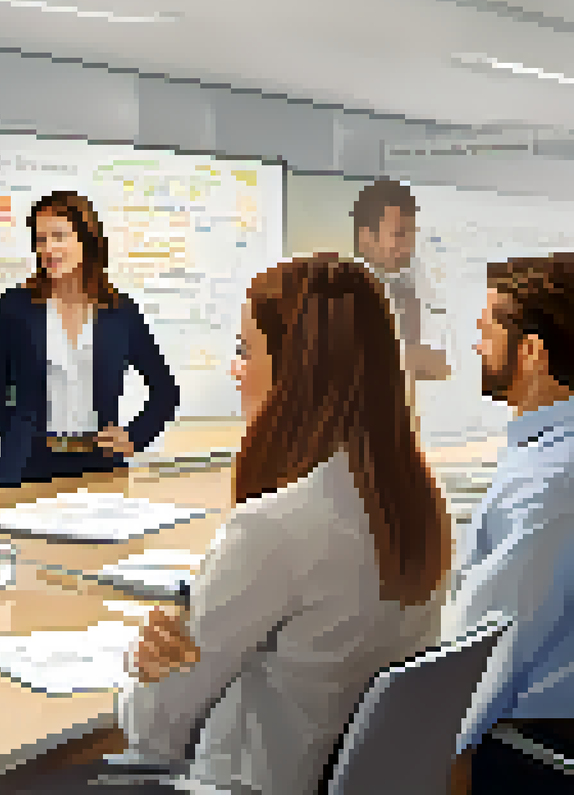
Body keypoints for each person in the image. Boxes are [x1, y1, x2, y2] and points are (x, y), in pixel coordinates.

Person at [121, 253, 450, 794]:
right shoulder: (421, 507)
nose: (235, 370)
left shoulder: (272, 530)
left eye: (244, 350)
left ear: (297, 371)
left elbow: (151, 733)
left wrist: (137, 660)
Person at [443, 253, 574, 793]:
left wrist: (441, 754)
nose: (476, 344)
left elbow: (485, 653)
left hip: (525, 754)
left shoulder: (548, 481)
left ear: (531, 353)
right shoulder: (543, 456)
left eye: (486, 327)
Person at [0, 190, 179, 487]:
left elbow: (165, 390)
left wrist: (134, 437)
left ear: (86, 241)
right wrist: (23, 437)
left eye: (58, 236)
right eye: (40, 239)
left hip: (101, 467)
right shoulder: (15, 308)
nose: (48, 249)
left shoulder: (119, 312)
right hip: (27, 469)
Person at [351, 178, 453, 384]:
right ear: (366, 238)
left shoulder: (414, 286)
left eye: (411, 235)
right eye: (399, 235)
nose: (408, 247)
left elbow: (443, 365)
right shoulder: (337, 294)